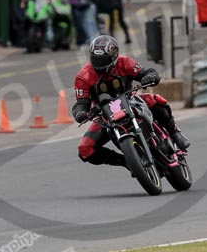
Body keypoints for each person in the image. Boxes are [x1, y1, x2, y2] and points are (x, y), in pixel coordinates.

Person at [72, 35, 190, 167]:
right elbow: (81, 104)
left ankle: (174, 132)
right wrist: (80, 113)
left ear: (114, 56)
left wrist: (149, 77)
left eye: (103, 59)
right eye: (96, 59)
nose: (100, 64)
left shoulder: (124, 62)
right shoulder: (83, 77)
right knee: (85, 149)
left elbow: (147, 72)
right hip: (104, 116)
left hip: (131, 101)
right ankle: (127, 162)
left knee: (154, 99)